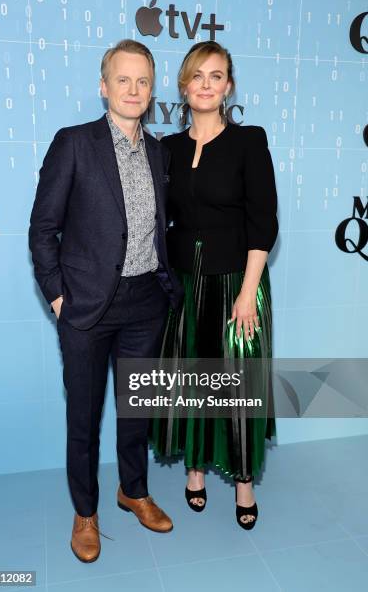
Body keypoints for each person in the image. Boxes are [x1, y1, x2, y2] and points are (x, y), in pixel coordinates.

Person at [29, 39, 183, 563]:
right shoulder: (73, 143)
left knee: (136, 411)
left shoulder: (160, 151)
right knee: (85, 417)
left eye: (143, 81)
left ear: (151, 88)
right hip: (87, 308)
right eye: (123, 79)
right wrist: (57, 299)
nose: (134, 89)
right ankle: (86, 511)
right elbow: (42, 228)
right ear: (103, 87)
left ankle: (133, 491)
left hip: (146, 303)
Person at [149, 41, 278, 530]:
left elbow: (263, 221)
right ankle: (196, 469)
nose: (206, 84)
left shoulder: (249, 141)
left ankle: (244, 481)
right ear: (184, 86)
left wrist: (248, 293)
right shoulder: (167, 149)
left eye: (216, 75)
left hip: (236, 284)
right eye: (197, 75)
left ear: (229, 86)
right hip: (184, 285)